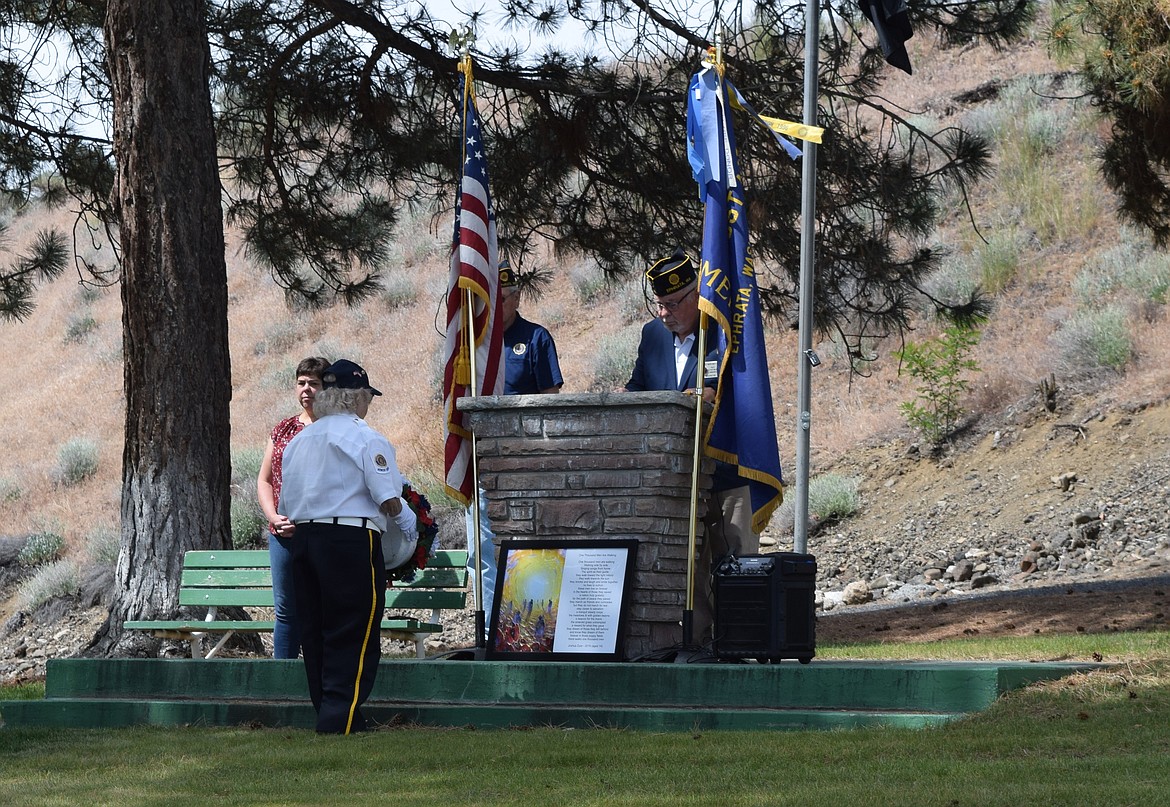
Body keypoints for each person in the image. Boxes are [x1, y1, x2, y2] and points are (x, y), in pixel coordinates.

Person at [620, 250, 757, 646]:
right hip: (678, 477)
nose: (665, 313)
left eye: (674, 303)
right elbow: (639, 388)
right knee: (691, 570)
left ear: (698, 295)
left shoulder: (725, 332)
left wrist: (699, 395)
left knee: (735, 561)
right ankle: (697, 647)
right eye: (659, 304)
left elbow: (726, 396)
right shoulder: (652, 336)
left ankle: (740, 644)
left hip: (727, 471)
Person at [277, 359, 417, 734]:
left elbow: (285, 507)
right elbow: (387, 497)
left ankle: (329, 709)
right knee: (352, 628)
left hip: (305, 540)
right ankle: (342, 716)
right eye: (368, 396)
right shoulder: (365, 436)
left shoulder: (298, 441)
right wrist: (410, 526)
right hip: (349, 540)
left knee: (316, 629)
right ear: (356, 397)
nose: (369, 404)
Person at [467, 260, 564, 630]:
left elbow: (550, 400)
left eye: (504, 299)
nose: (497, 307)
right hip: (482, 463)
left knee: (528, 548)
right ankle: (491, 629)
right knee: (482, 551)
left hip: (526, 467)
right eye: (490, 300)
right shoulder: (474, 344)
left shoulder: (536, 338)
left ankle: (532, 629)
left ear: (517, 297)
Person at [256, 355, 329, 660]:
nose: (307, 389)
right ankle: (281, 684)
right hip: (283, 535)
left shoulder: (336, 428)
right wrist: (274, 517)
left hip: (323, 534)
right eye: (301, 383)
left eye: (314, 383)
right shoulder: (283, 430)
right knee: (286, 613)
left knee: (321, 609)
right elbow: (265, 480)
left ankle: (321, 682)